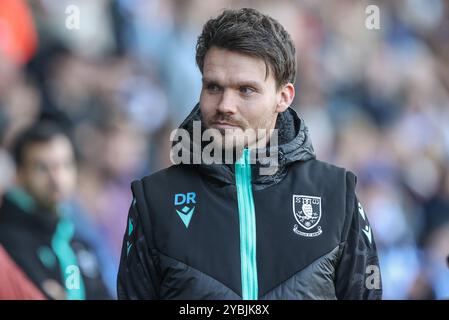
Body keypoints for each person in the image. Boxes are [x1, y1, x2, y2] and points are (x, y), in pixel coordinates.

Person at [117, 8, 382, 300]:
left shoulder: (336, 195)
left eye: (246, 90)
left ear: (284, 97)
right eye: (213, 87)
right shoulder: (154, 199)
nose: (225, 105)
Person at [0, 122, 111, 299]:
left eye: (65, 165)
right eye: (43, 168)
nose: (56, 178)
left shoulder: (77, 239)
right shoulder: (8, 241)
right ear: (19, 174)